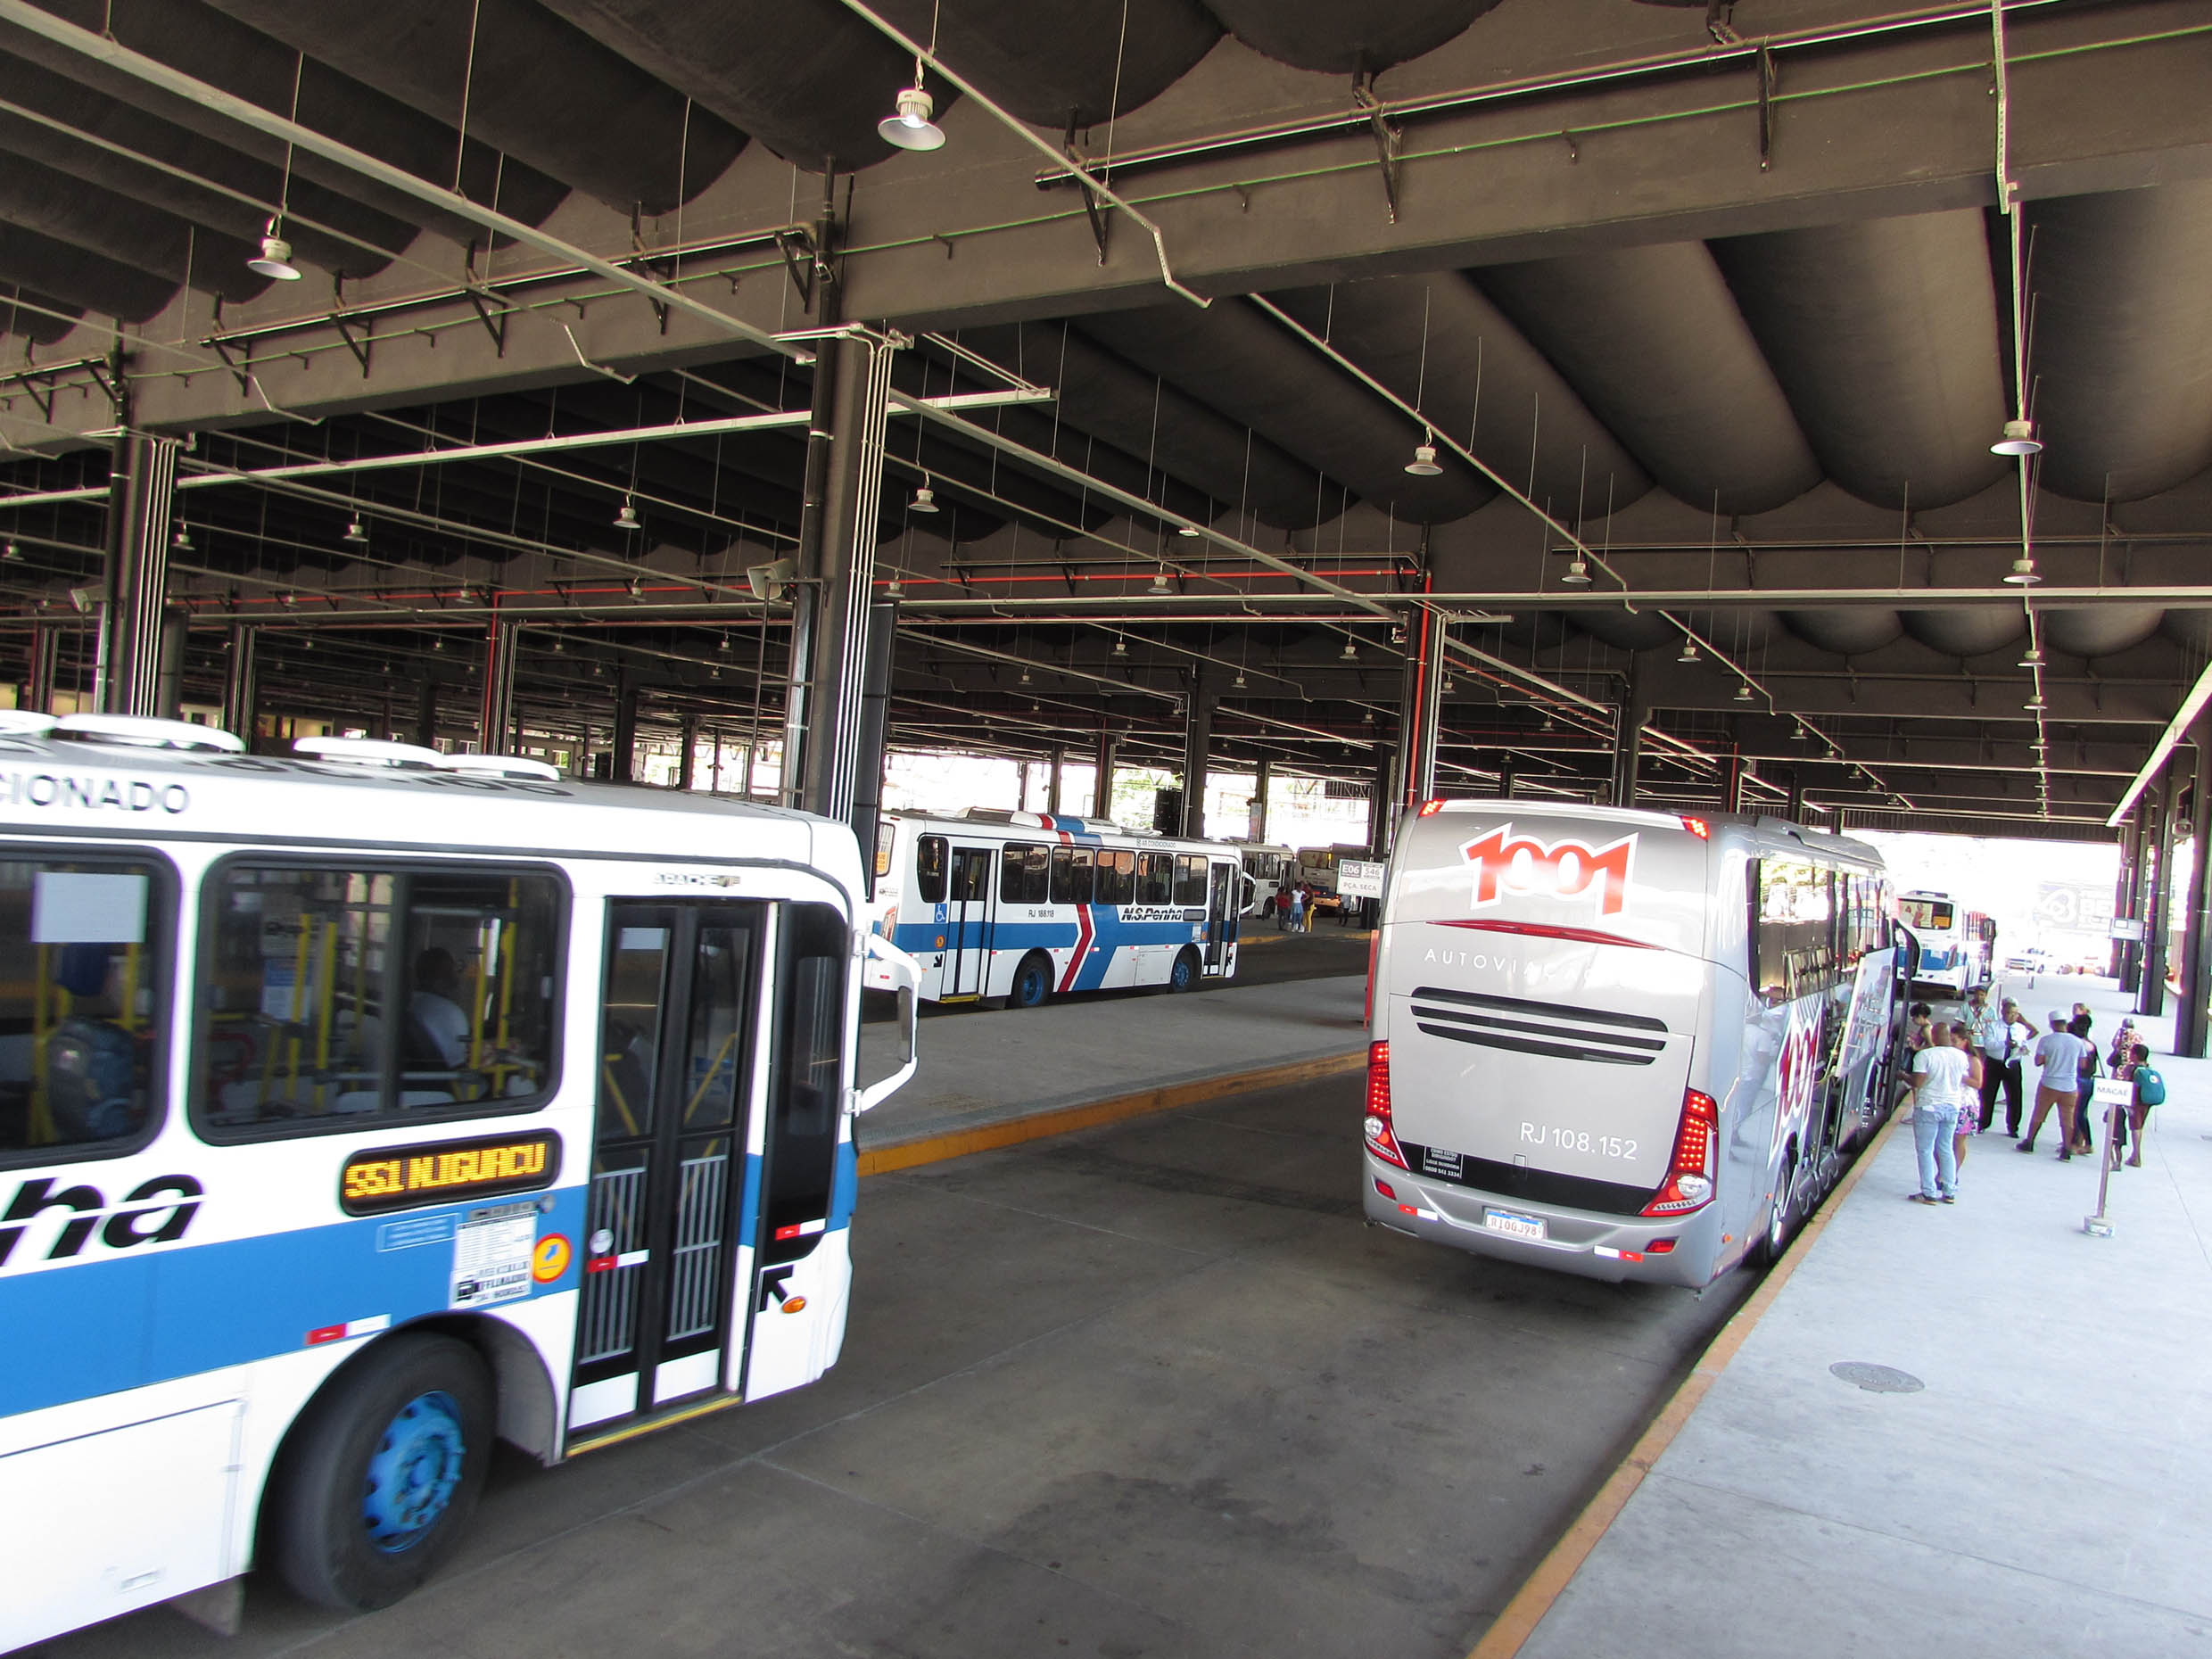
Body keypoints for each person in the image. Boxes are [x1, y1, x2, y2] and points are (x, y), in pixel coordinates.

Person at [1907, 1019, 1969, 1203]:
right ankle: (1949, 1191)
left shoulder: (1925, 1055)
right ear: (1949, 1036)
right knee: (1946, 1148)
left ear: (1933, 1036)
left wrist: (1903, 1076)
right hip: (1952, 1106)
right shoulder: (1961, 1056)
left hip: (1929, 1106)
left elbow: (1918, 1082)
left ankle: (1929, 1192)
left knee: (1925, 1150)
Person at [2019, 1011, 2090, 1160]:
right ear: (2065, 1023)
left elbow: (2038, 1061)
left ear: (2051, 1024)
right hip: (2069, 1086)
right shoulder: (2078, 1042)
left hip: (2049, 1083)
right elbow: (2083, 1064)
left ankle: (2030, 1142)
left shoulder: (2046, 1040)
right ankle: (2066, 1148)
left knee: (2039, 1114)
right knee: (2067, 1119)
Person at [408, 946, 474, 1068]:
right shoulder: (450, 1013)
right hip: (445, 1081)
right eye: (456, 969)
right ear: (449, 976)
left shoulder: (409, 1002)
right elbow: (459, 1063)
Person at [2114, 1042, 2163, 1169]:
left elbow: (2125, 1083)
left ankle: (2136, 1155)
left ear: (2135, 1055)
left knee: (2135, 1128)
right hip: (2147, 1102)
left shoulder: (2132, 1069)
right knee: (2140, 1127)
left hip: (2135, 1102)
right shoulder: (2149, 1069)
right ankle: (2135, 1155)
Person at [1949, 1023, 1985, 1176]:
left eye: (1955, 1041)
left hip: (1966, 1104)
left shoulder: (1972, 1060)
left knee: (1958, 1139)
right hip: (1950, 1101)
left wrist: (1960, 1076)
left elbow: (1978, 1083)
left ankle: (1953, 1172)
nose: (1951, 1044)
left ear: (1964, 1041)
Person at [2068, 1006, 2097, 1156]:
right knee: (2081, 1112)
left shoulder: (2077, 1044)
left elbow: (2081, 1064)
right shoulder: (2091, 1044)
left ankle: (2077, 1142)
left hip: (2078, 1080)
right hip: (2089, 1081)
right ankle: (2083, 1142)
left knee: (2076, 1113)